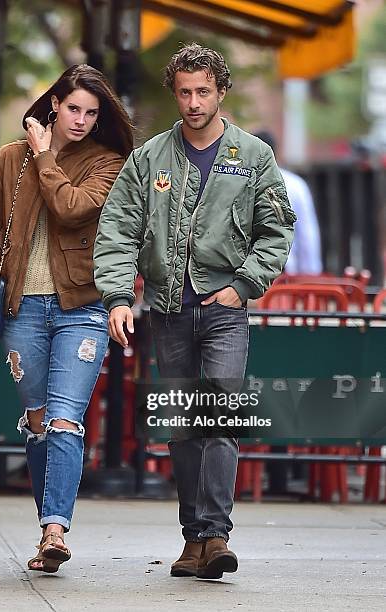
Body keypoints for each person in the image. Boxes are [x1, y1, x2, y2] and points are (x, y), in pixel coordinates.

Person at [94, 44, 295, 580]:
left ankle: (217, 535)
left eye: (203, 91)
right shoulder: (150, 157)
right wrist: (117, 296)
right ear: (174, 92)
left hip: (226, 308)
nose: (193, 101)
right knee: (183, 426)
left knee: (221, 418)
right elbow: (117, 227)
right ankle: (194, 539)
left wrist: (246, 284)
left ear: (221, 91)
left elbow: (277, 229)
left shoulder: (252, 155)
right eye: (184, 91)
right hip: (167, 307)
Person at [0, 64, 132, 572]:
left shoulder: (107, 162)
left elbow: (71, 209)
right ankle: (46, 521)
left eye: (92, 113)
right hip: (21, 309)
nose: (81, 120)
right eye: (73, 108)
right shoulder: (10, 159)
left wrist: (46, 154)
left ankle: (55, 530)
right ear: (54, 104)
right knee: (37, 422)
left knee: (66, 418)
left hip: (83, 308)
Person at [254, 130, 322, 274]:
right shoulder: (295, 184)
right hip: (285, 270)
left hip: (249, 271)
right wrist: (310, 271)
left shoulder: (241, 184)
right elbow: (307, 233)